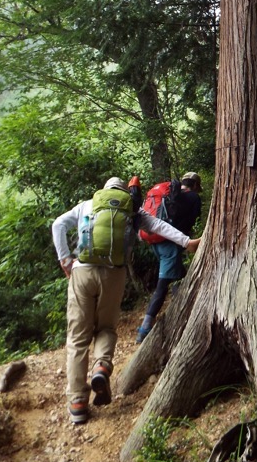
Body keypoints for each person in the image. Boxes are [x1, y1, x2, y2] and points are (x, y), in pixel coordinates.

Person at [52, 176, 200, 425]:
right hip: (114, 275)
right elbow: (160, 226)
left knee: (78, 338)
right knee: (106, 328)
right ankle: (101, 367)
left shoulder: (86, 205)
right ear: (123, 193)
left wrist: (65, 260)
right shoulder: (132, 208)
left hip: (83, 272)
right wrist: (187, 242)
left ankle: (77, 402)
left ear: (104, 191)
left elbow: (58, 225)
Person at [136, 172, 202, 343]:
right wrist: (187, 241)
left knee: (180, 276)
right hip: (170, 244)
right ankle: (145, 327)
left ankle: (182, 311)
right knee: (163, 285)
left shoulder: (170, 195)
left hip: (155, 242)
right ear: (195, 185)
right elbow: (191, 221)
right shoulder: (193, 197)